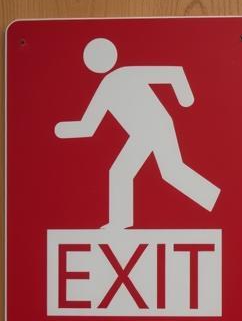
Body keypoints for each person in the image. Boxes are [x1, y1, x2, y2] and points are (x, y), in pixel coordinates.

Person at [55, 37, 221, 229]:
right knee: (141, 172)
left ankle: (218, 202)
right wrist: (63, 130)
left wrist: (186, 98)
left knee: (157, 172)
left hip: (157, 126)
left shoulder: (127, 74)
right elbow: (89, 127)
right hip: (144, 133)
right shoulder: (105, 87)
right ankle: (214, 200)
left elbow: (173, 73)